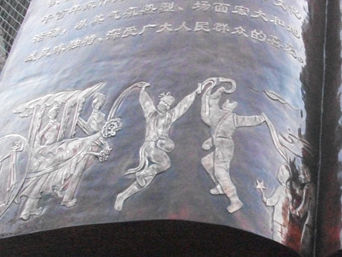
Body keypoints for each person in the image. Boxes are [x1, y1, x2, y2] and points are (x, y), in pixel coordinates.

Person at [115, 83, 200, 211]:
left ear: (168, 107)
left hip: (160, 146)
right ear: (159, 102)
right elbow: (146, 102)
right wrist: (143, 90)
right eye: (162, 103)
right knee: (165, 163)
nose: (163, 106)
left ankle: (124, 195)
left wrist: (195, 93)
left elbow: (183, 106)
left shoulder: (169, 116)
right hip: (150, 146)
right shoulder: (151, 114)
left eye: (166, 105)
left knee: (151, 174)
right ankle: (143, 175)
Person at [200, 78, 270, 213]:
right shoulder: (223, 115)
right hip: (220, 145)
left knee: (220, 172)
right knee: (207, 162)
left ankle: (235, 201)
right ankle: (221, 186)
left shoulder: (228, 117)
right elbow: (213, 101)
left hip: (225, 146)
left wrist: (219, 91)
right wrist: (220, 90)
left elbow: (213, 102)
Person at [256, 163, 291, 243]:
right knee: (283, 238)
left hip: (278, 219)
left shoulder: (281, 189)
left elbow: (273, 201)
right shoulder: (290, 191)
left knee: (277, 236)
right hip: (286, 220)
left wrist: (266, 200)